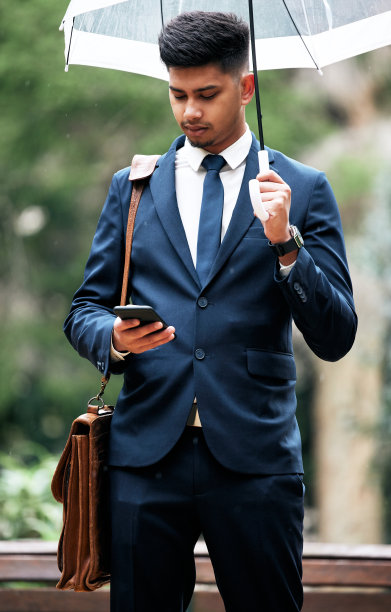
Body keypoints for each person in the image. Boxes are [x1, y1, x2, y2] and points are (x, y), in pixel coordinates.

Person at [64, 11, 357, 612]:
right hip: (145, 458)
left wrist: (286, 244)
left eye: (206, 95)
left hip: (256, 458)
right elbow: (83, 309)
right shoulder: (133, 186)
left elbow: (336, 334)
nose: (189, 111)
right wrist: (115, 340)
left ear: (245, 88)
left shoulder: (301, 188)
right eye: (177, 94)